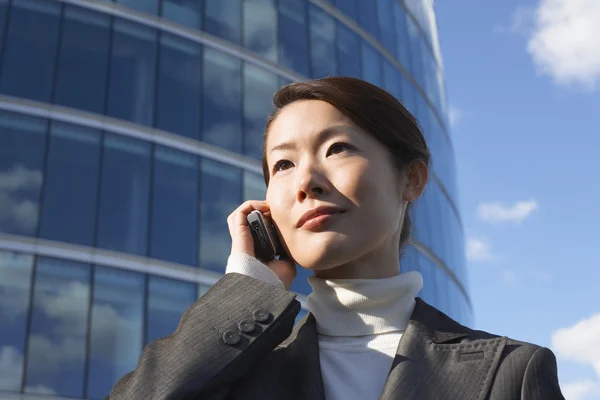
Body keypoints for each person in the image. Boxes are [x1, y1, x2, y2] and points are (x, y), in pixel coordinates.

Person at [105, 77, 565, 400]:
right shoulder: (234, 370)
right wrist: (248, 287)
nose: (305, 180)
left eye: (337, 148)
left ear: (412, 179)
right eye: (283, 165)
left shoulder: (512, 372)